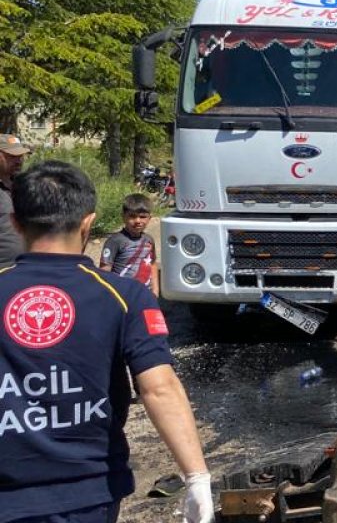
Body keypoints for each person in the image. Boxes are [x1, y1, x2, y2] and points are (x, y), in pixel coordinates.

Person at [0, 161, 212, 523]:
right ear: (88, 222)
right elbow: (159, 388)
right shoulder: (123, 295)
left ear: (16, 223)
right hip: (89, 494)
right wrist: (196, 477)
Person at [99, 193, 160, 297]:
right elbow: (104, 271)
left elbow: (153, 264)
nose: (137, 221)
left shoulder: (149, 240)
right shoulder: (115, 241)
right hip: (121, 295)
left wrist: (155, 290)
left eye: (142, 217)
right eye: (132, 216)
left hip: (144, 294)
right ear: (123, 217)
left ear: (150, 218)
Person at [0, 134, 30, 268]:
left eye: (20, 156)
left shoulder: (24, 185)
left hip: (25, 270)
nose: (18, 161)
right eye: (12, 156)